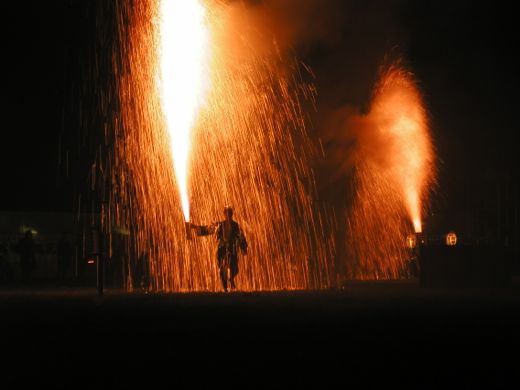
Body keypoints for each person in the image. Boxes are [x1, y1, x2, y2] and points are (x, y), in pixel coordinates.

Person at [191, 206, 247, 291]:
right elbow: (208, 229)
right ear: (224, 214)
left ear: (232, 214)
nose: (228, 215)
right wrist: (195, 227)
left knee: (234, 267)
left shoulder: (236, 226)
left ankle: (231, 279)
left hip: (232, 249)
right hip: (222, 249)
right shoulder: (220, 225)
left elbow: (241, 237)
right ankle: (225, 288)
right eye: (227, 213)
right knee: (221, 269)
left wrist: (243, 248)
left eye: (230, 213)